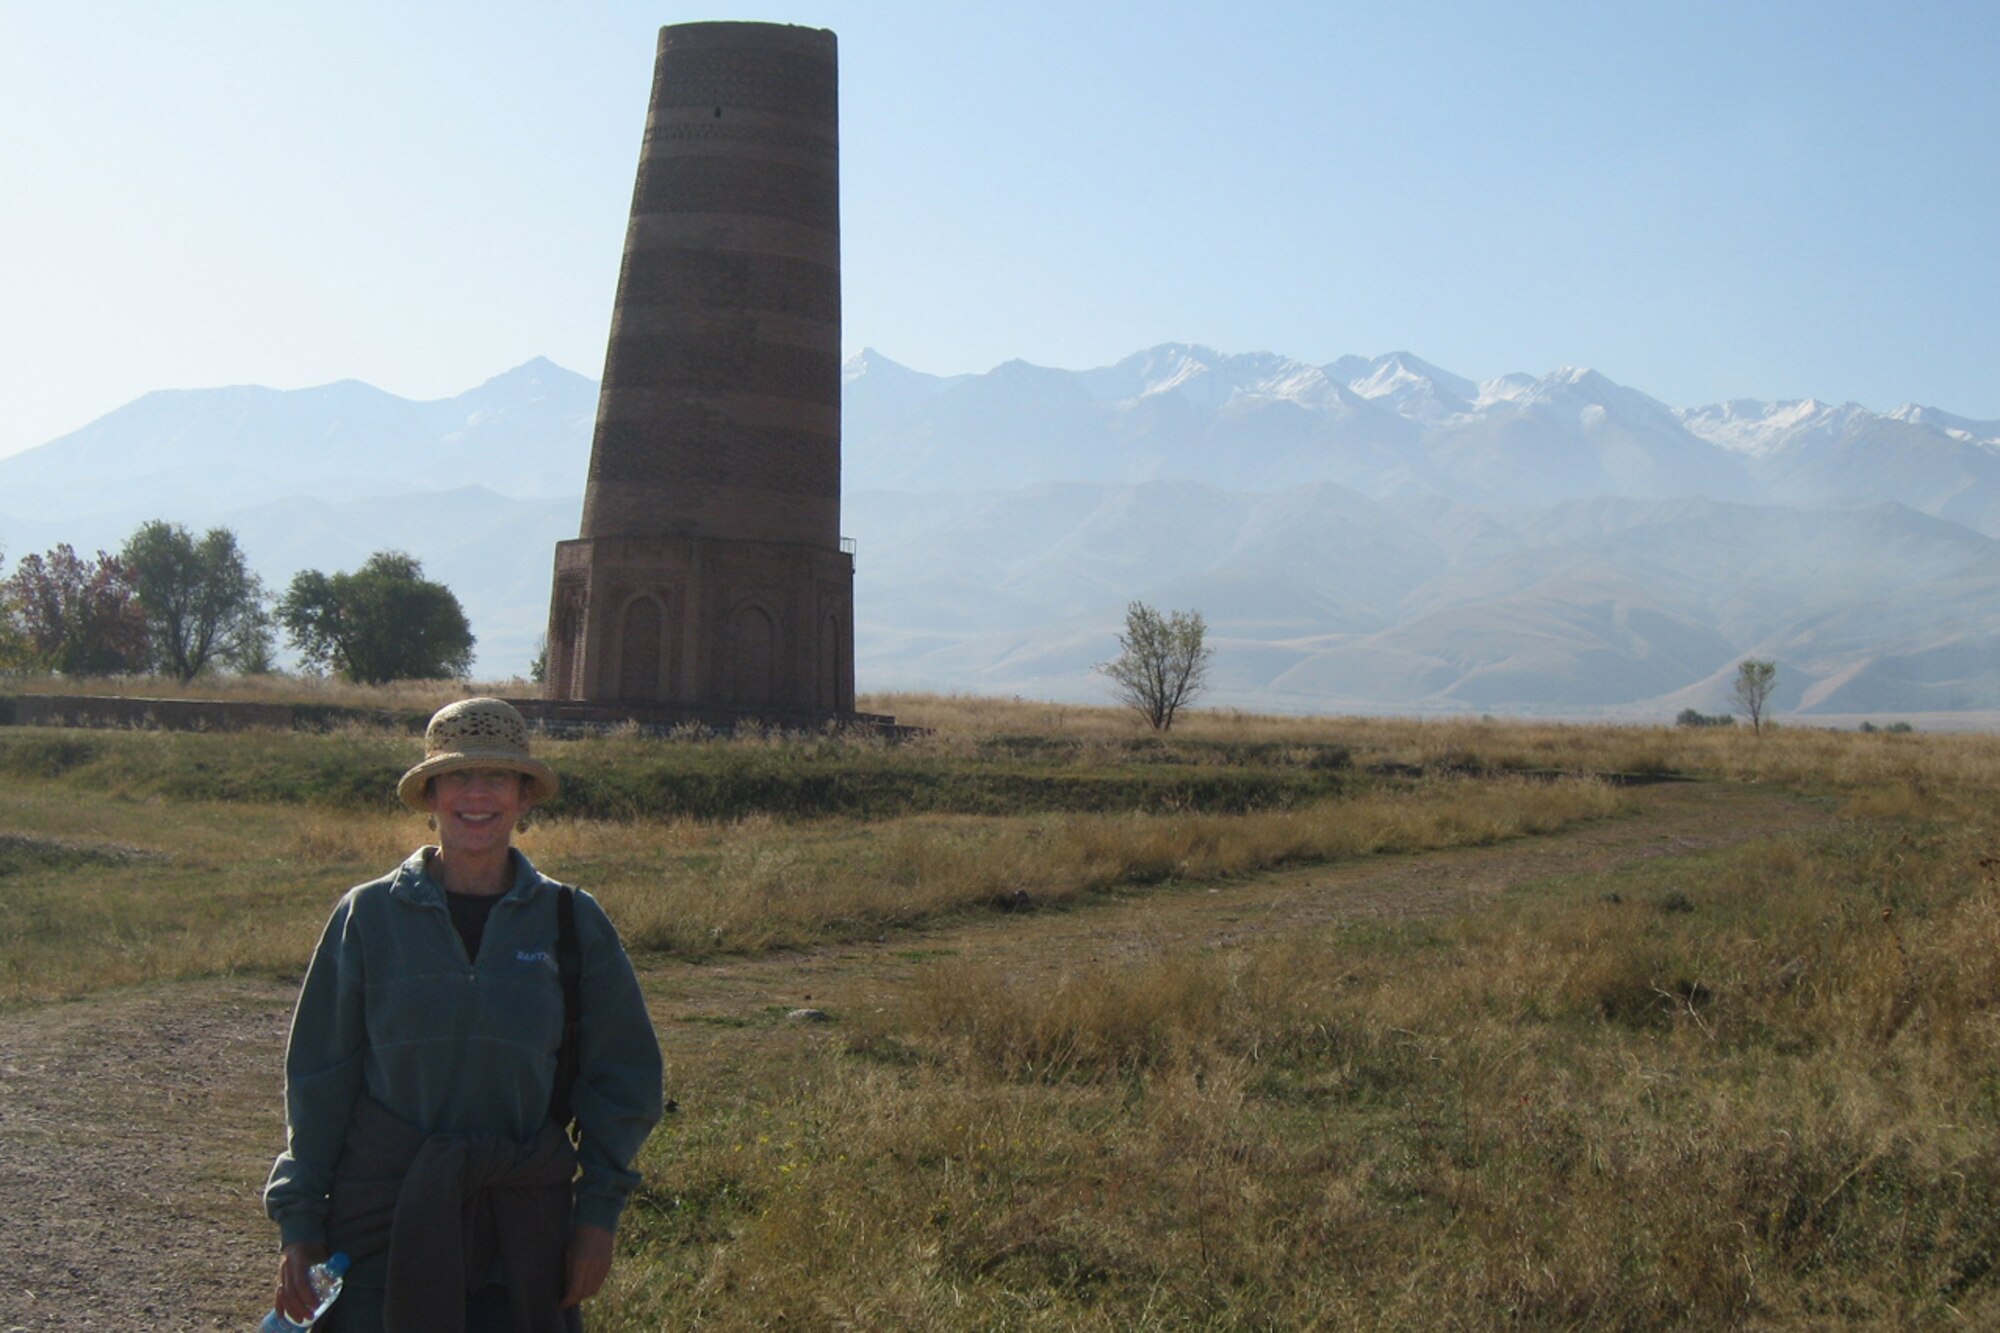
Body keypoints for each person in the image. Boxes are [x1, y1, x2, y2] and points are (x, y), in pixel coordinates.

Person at [264, 697, 664, 1331]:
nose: (477, 795)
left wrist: (596, 1218)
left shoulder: (570, 921)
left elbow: (625, 1080)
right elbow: (319, 1080)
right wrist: (299, 1223)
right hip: (381, 1229)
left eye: (498, 777)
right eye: (457, 776)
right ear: (430, 795)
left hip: (520, 1232)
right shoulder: (369, 917)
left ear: (525, 796)